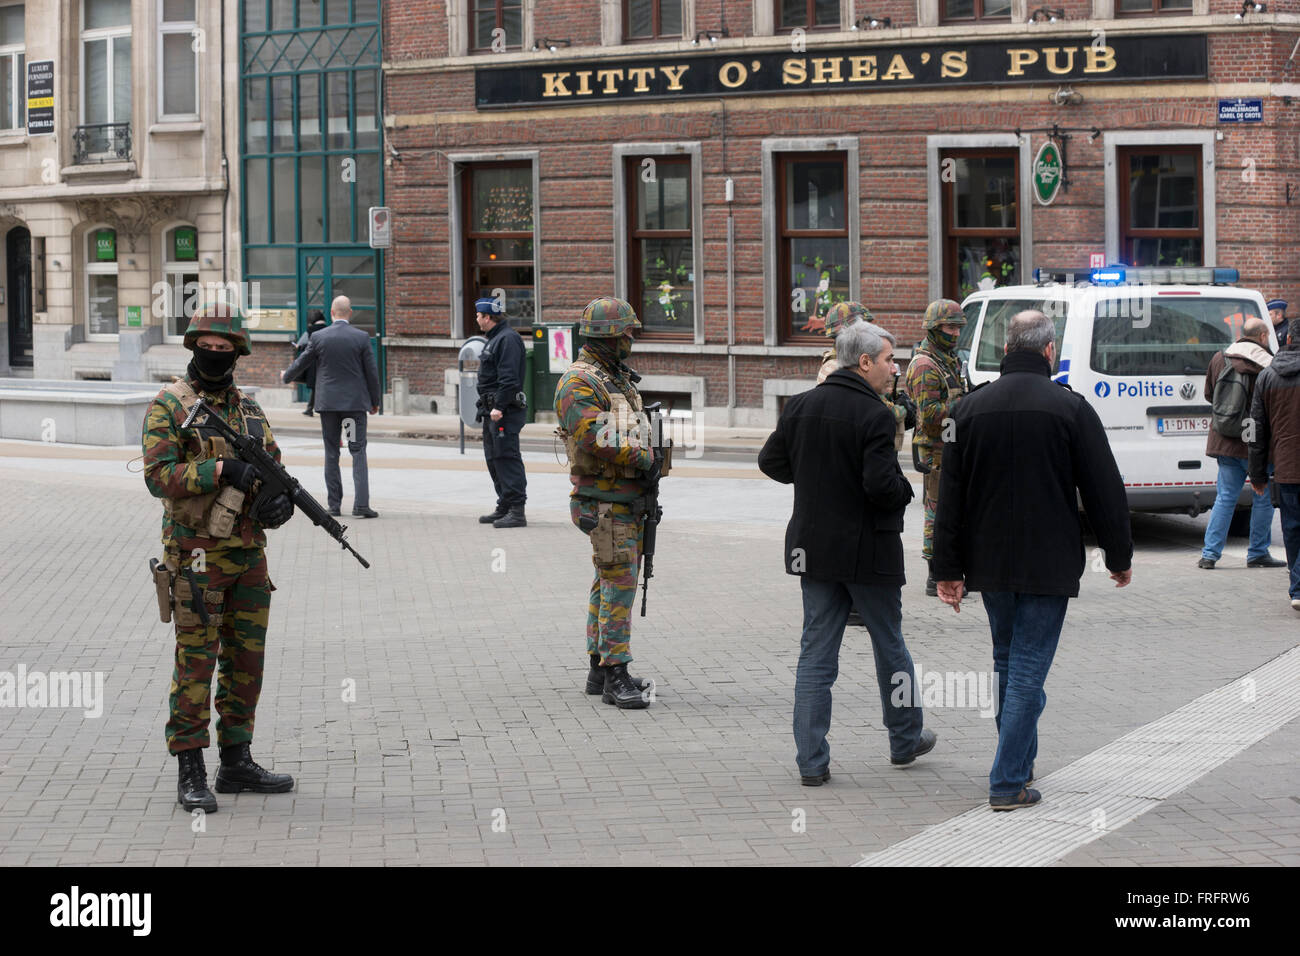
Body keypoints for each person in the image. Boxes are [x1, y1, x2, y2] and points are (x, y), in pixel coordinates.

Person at [932, 310, 1133, 811]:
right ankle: (1007, 780)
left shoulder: (968, 410)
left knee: (1006, 663)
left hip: (990, 563)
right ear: (1049, 351)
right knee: (1026, 672)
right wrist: (1118, 554)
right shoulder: (1071, 408)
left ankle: (1017, 763)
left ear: (1006, 348)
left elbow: (948, 498)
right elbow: (1104, 488)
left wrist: (947, 570)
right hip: (1048, 563)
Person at [758, 320, 934, 786]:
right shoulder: (875, 415)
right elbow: (880, 485)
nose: (894, 369)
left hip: (813, 551)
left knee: (816, 655)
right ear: (864, 362)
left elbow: (770, 462)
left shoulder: (799, 406)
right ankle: (904, 739)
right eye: (888, 360)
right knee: (889, 644)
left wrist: (816, 479)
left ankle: (811, 763)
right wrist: (904, 491)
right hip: (868, 552)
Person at [142, 302, 296, 812]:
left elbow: (272, 465)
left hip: (248, 554)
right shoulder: (170, 404)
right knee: (196, 661)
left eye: (223, 349)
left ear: (238, 354)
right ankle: (191, 770)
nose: (213, 355)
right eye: (205, 348)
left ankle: (236, 761)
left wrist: (277, 503)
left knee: (246, 660)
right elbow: (158, 476)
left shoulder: (249, 409)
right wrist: (218, 470)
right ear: (192, 348)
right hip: (195, 558)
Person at [554, 297, 659, 707]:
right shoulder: (579, 382)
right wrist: (646, 457)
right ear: (608, 336)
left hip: (622, 500)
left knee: (608, 580)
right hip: (602, 502)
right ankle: (617, 674)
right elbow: (594, 435)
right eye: (627, 332)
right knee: (619, 584)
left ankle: (599, 669)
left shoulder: (614, 378)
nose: (632, 339)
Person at [283, 295, 381, 519]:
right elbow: (371, 373)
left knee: (331, 453)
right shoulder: (361, 337)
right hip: (353, 407)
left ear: (332, 312)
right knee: (357, 451)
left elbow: (302, 361)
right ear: (351, 312)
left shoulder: (319, 337)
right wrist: (375, 401)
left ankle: (334, 506)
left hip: (328, 406)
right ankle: (361, 506)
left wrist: (287, 376)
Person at [1198, 317, 1283, 569]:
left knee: (1225, 497)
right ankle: (1257, 552)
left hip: (1226, 439)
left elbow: (1209, 394)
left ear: (1241, 334)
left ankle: (1209, 555)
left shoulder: (1220, 358)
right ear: (1263, 336)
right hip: (1257, 442)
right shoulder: (1268, 364)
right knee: (1263, 497)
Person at [905, 299, 970, 596]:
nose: (955, 334)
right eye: (950, 327)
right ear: (933, 328)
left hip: (952, 445)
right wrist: (966, 406)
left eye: (958, 328)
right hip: (935, 450)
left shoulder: (949, 359)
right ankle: (935, 575)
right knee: (937, 512)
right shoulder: (925, 365)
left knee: (954, 510)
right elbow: (930, 415)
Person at [1248, 316, 1300, 612]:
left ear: (1288, 340)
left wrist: (1256, 473)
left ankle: (1297, 589)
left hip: (1286, 467)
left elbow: (1255, 429)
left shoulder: (1267, 377)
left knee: (1292, 529)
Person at [816, 302, 916, 452]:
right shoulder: (835, 368)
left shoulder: (858, 362)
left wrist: (891, 395)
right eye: (864, 327)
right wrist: (898, 411)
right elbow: (857, 409)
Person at [474, 297, 528, 528]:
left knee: (507, 458)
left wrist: (499, 407)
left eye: (478, 315)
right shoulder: (496, 339)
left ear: (487, 317)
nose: (476, 319)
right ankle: (505, 504)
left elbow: (509, 379)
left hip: (503, 411)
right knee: (494, 459)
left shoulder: (508, 340)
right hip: (491, 410)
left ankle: (517, 510)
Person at [289, 309, 329, 416]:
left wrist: (299, 347)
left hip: (314, 363)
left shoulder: (310, 330)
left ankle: (310, 408)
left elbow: (305, 345)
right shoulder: (328, 329)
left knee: (315, 387)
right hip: (326, 362)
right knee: (323, 385)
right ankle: (314, 408)